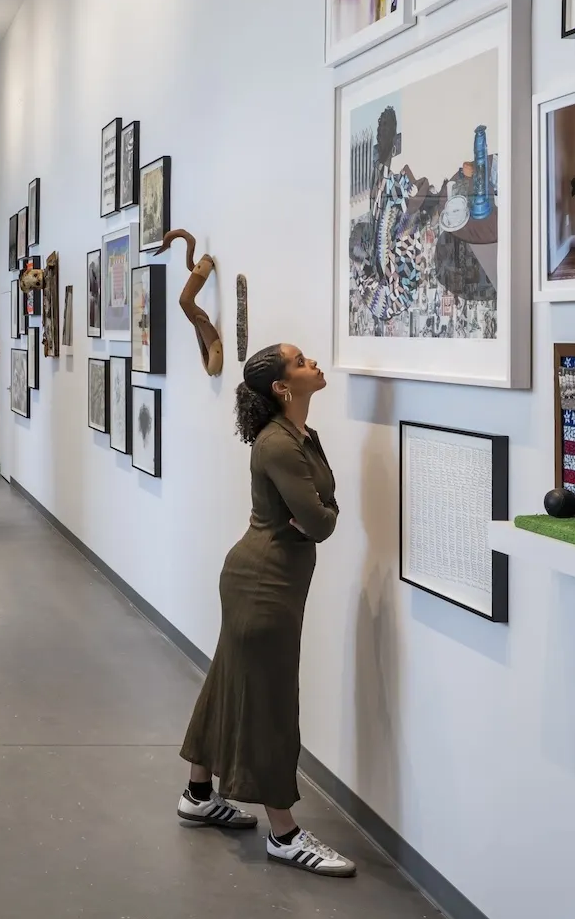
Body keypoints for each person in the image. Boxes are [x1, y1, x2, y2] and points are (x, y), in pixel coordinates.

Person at [175, 343, 354, 878]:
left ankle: (197, 793)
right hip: (264, 582)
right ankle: (284, 833)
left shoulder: (304, 436)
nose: (313, 364)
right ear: (282, 387)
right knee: (270, 704)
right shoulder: (278, 445)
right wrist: (319, 516)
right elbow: (320, 523)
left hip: (269, 578)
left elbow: (324, 511)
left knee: (228, 678)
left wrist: (320, 515)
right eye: (301, 362)